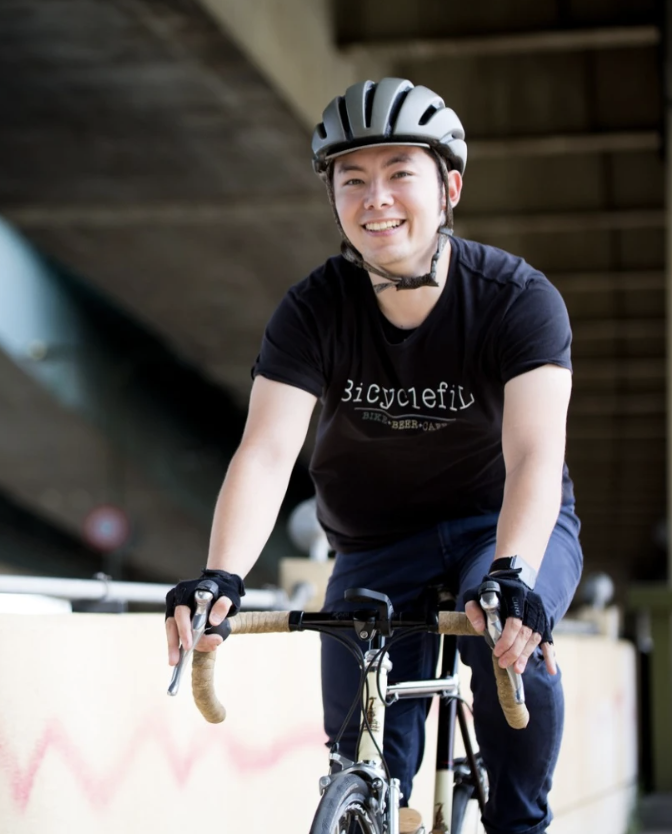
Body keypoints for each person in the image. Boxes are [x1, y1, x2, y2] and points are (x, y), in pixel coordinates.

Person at [165, 77, 583, 834]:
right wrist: (221, 575)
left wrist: (514, 577)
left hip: (501, 522)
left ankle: (522, 824)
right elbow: (265, 451)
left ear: (449, 186)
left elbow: (533, 456)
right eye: (352, 180)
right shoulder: (312, 310)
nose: (375, 198)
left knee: (509, 644)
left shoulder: (517, 300)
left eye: (400, 175)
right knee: (363, 754)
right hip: (375, 542)